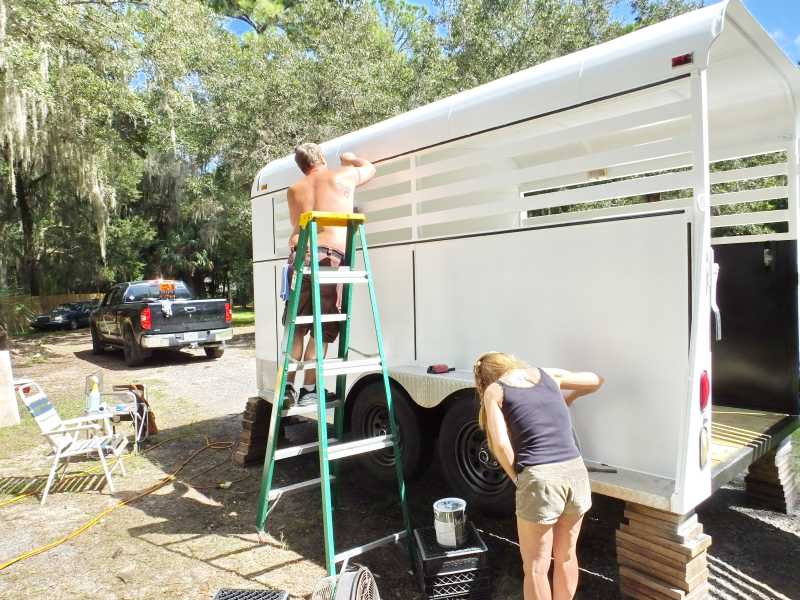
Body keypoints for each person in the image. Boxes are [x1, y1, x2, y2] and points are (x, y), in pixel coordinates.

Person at [473, 352, 604, 600]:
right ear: (509, 362)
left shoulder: (495, 390)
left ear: (483, 379)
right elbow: (596, 381)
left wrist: (516, 476)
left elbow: (500, 444)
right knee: (566, 555)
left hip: (541, 478)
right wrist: (570, 396)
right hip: (576, 472)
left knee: (535, 567)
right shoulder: (548, 374)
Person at [283, 143, 376, 406]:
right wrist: (351, 158)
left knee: (297, 328)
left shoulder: (294, 190)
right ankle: (310, 390)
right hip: (329, 259)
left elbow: (296, 225)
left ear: (301, 166)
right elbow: (370, 169)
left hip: (301, 257)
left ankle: (288, 387)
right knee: (321, 328)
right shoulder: (342, 175)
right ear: (321, 158)